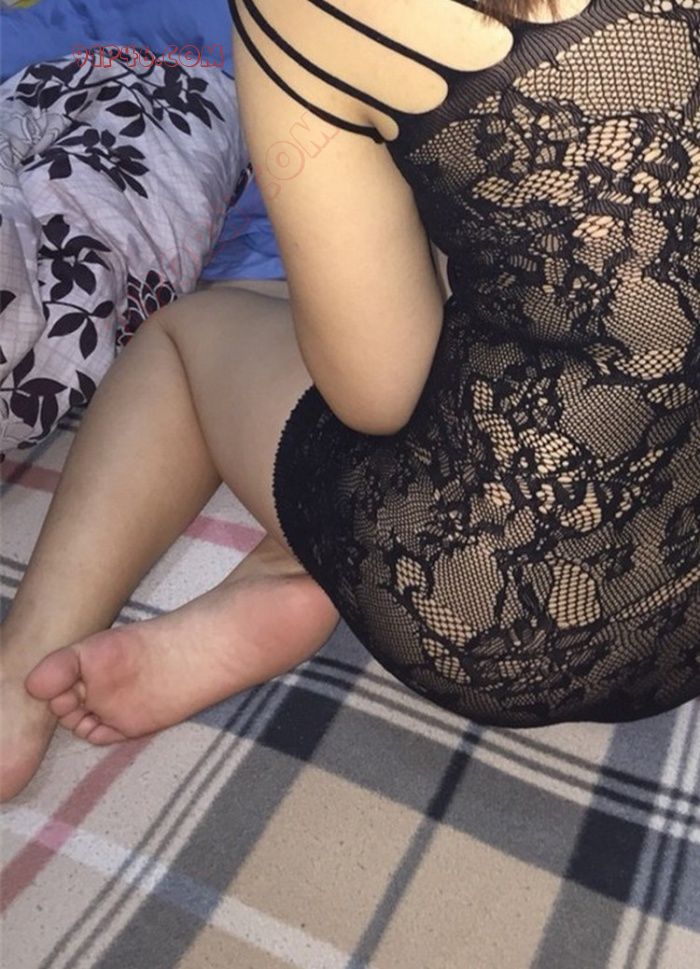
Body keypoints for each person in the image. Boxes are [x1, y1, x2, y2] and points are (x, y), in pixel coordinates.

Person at [2, 0, 699, 802]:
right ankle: (286, 563)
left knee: (190, 336)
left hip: (527, 620)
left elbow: (379, 396)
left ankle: (17, 681)